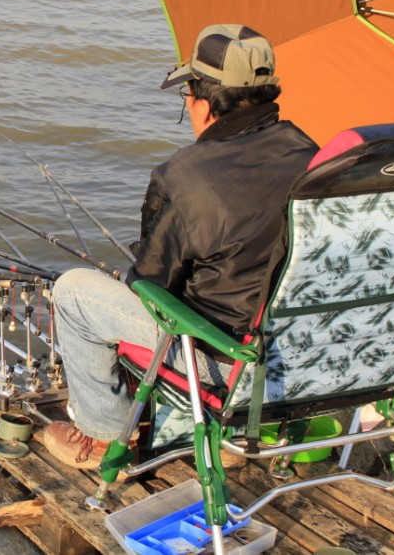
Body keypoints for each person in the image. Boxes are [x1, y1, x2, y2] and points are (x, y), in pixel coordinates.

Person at [42, 24, 319, 469]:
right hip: (302, 351)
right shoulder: (312, 154)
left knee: (74, 291)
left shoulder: (184, 175)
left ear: (204, 104)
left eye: (187, 94)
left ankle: (103, 436)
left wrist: (135, 267)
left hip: (222, 357)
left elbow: (153, 286)